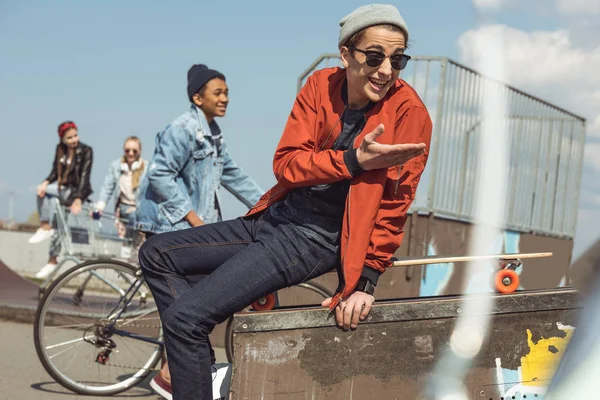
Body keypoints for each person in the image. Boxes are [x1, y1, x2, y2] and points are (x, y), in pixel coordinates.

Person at [139, 4, 432, 399]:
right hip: (275, 217)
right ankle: (197, 368)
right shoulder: (319, 86)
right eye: (374, 56)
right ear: (346, 54)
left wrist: (366, 280)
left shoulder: (409, 114)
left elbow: (394, 207)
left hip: (314, 239)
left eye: (397, 60)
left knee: (185, 320)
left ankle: (191, 361)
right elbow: (287, 164)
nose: (385, 70)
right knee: (157, 253)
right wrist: (353, 161)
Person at [135, 64, 264, 399]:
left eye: (227, 93)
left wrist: (270, 203)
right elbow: (159, 175)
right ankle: (173, 374)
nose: (225, 99)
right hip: (172, 225)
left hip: (191, 224)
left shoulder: (213, 132)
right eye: (218, 93)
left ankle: (176, 372)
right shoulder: (183, 129)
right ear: (197, 97)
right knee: (198, 300)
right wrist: (193, 219)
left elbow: (233, 175)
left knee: (196, 301)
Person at [29, 121, 93, 279]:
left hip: (75, 192)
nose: (74, 140)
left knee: (46, 193)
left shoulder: (86, 151)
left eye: (75, 135)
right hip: (61, 191)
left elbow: (85, 177)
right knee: (56, 219)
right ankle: (52, 259)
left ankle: (44, 227)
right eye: (69, 137)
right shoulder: (60, 150)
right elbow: (54, 172)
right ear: (62, 139)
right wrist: (46, 181)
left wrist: (78, 198)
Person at [95, 136, 147, 238]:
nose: (131, 153)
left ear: (140, 151)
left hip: (140, 209)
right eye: (127, 150)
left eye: (134, 151)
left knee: (138, 237)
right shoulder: (116, 166)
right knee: (126, 238)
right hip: (124, 208)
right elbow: (107, 186)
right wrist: (100, 206)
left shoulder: (147, 167)